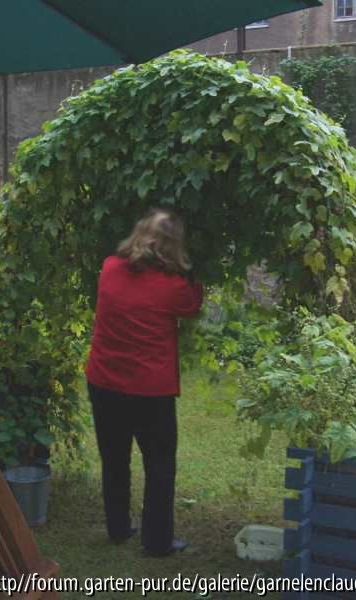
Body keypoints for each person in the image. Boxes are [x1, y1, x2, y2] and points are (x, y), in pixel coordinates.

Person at [85, 208, 204, 557]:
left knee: (114, 459)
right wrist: (193, 273)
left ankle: (119, 529)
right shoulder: (174, 288)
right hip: (149, 392)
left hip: (104, 383)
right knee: (160, 465)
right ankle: (157, 541)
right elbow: (194, 305)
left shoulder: (109, 269)